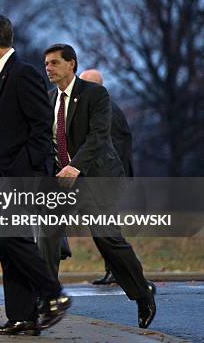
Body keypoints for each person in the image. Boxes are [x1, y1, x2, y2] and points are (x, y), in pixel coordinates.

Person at [41, 44, 156, 329]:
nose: (49, 68)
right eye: (46, 63)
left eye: (55, 63)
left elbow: (98, 137)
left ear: (72, 64)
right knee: (47, 233)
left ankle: (143, 293)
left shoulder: (95, 94)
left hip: (96, 177)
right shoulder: (48, 99)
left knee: (107, 238)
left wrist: (75, 166)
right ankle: (47, 299)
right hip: (62, 180)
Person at [0, 13, 70, 336]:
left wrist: (26, 171)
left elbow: (42, 129)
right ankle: (22, 317)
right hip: (4, 174)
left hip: (22, 175)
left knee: (14, 240)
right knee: (6, 246)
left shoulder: (23, 74)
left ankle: (54, 294)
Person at [80, 69, 131, 285]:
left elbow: (114, 150)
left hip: (107, 179)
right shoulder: (104, 108)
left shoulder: (106, 110)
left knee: (107, 230)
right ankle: (116, 271)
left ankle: (121, 272)